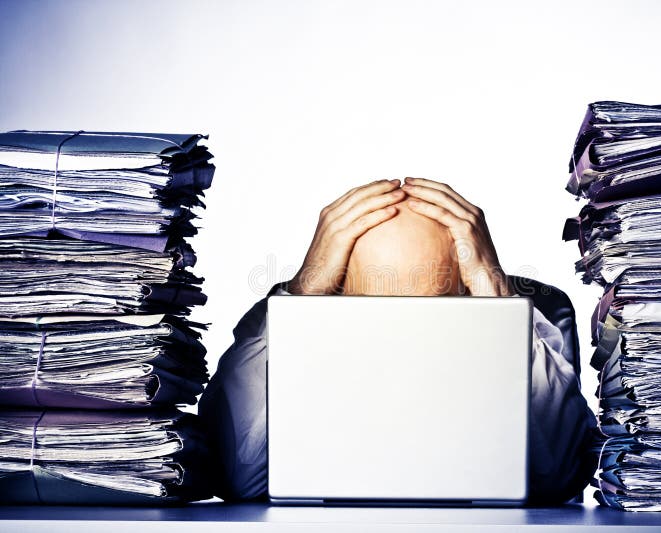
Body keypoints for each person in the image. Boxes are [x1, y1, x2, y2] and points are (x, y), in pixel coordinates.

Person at [199, 177, 597, 504]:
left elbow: (557, 478)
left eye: (432, 306)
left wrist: (496, 299)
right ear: (335, 293)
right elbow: (238, 478)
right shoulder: (285, 325)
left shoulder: (524, 324)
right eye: (376, 305)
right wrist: (303, 296)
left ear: (465, 292)